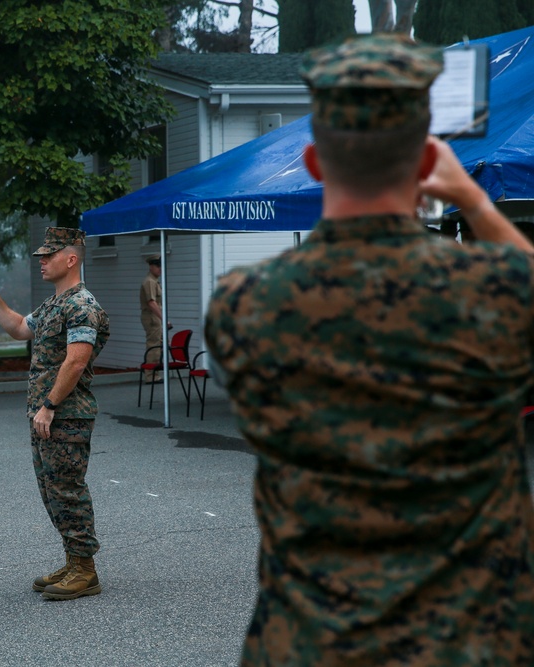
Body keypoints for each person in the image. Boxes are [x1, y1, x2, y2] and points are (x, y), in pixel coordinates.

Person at [204, 33, 534, 665]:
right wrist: (474, 201)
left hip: (306, 644)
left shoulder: (244, 303)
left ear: (314, 164)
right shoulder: (494, 288)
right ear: (425, 160)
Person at [0, 227, 109, 601]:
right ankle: (73, 560)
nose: (42, 261)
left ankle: (86, 570)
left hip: (65, 415)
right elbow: (20, 328)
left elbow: (78, 359)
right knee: (51, 492)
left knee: (68, 490)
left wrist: (49, 406)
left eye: (48, 255)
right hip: (46, 416)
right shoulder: (54, 305)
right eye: (40, 256)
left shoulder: (81, 304)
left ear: (71, 259)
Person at [139, 254, 170, 382]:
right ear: (151, 267)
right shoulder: (149, 282)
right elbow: (151, 302)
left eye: (161, 266)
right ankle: (151, 376)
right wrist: (164, 318)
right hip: (152, 317)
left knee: (162, 343)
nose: (160, 269)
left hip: (156, 316)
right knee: (154, 345)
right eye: (157, 266)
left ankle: (154, 371)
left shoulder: (155, 281)